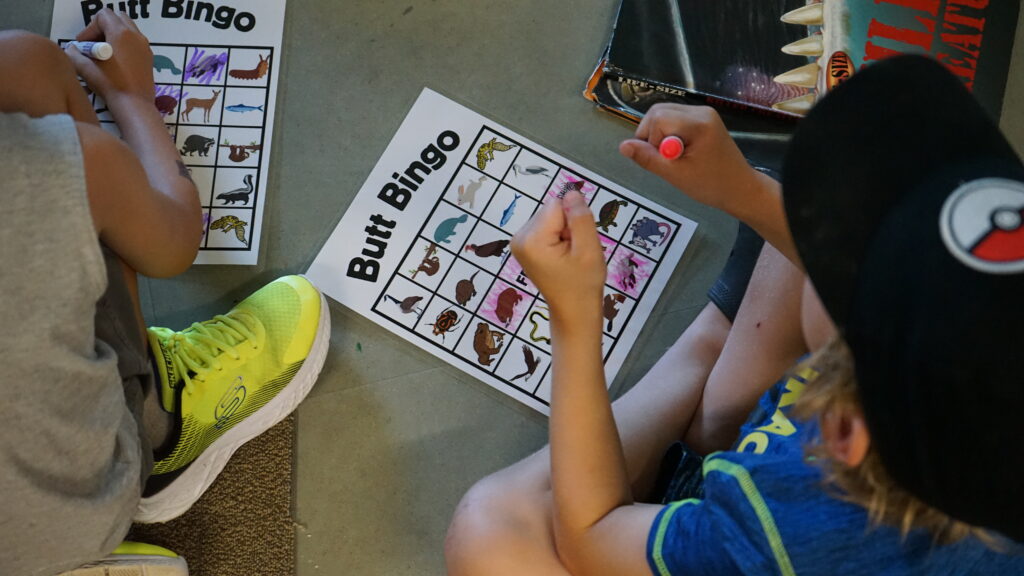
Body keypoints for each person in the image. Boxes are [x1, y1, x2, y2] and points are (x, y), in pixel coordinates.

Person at [445, 55, 1024, 575]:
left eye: (850, 269)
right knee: (816, 202)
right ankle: (712, 388)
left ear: (844, 427)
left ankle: (706, 361)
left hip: (753, 537)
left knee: (487, 534)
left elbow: (590, 539)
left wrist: (575, 321)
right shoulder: (951, 423)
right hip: (813, 462)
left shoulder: (794, 528)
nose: (838, 250)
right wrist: (741, 189)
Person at [0, 12, 329, 576]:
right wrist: (134, 97)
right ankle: (156, 425)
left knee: (26, 64)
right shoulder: (49, 165)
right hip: (55, 521)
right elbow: (172, 242)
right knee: (71, 225)